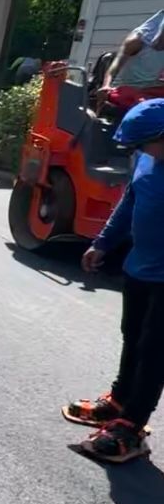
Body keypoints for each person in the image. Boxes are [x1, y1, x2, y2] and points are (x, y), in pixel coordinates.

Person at [66, 97, 164, 462]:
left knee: (155, 352)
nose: (140, 152)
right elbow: (129, 204)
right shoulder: (146, 158)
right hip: (140, 267)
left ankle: (132, 426)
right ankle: (121, 399)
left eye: (145, 144)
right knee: (132, 336)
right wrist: (103, 242)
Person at [97, 9, 164, 113]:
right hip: (123, 91)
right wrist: (106, 85)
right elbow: (116, 64)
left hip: (149, 92)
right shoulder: (136, 41)